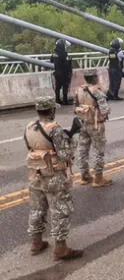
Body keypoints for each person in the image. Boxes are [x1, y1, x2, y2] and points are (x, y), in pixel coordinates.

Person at [25, 97, 84, 260]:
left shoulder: (29, 127)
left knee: (37, 208)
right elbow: (66, 155)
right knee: (60, 209)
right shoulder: (55, 129)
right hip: (53, 177)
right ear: (52, 110)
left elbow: (33, 148)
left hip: (35, 174)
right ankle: (61, 248)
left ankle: (36, 243)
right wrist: (74, 136)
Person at [74, 69, 112, 187]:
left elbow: (75, 107)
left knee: (83, 150)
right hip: (95, 124)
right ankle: (98, 178)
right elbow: (105, 110)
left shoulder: (79, 90)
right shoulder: (97, 92)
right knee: (98, 151)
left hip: (83, 123)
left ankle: (84, 176)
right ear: (95, 78)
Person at [50, 39, 73, 105]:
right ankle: (65, 101)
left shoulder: (54, 53)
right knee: (65, 87)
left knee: (58, 87)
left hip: (57, 73)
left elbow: (51, 60)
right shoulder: (63, 54)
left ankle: (57, 100)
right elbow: (65, 64)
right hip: (64, 73)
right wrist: (70, 61)